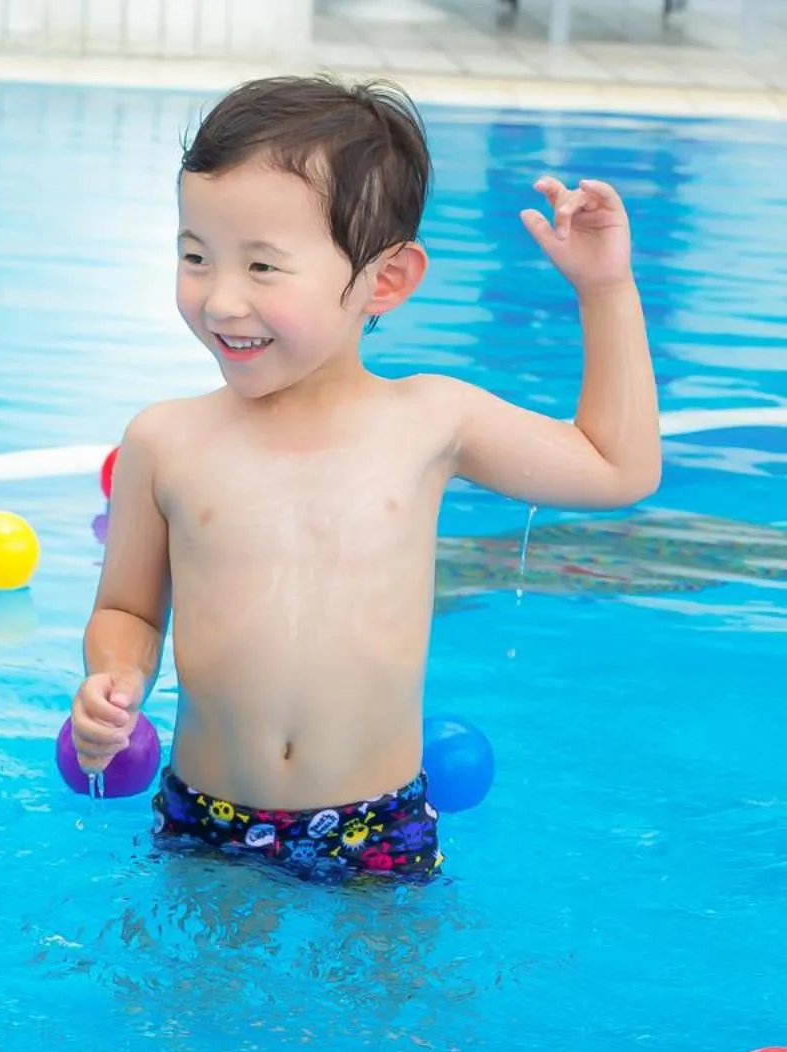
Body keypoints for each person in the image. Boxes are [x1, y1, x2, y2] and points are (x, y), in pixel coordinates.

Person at [70, 76, 659, 876]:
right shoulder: (165, 440)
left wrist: (606, 288)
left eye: (264, 267)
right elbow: (128, 607)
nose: (220, 299)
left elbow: (618, 468)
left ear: (383, 281)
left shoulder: (429, 422)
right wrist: (115, 674)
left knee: (394, 1001)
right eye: (195, 255)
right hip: (203, 816)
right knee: (188, 1003)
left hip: (378, 823)